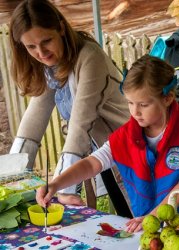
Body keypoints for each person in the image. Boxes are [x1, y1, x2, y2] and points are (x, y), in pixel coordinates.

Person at [36, 54, 179, 232]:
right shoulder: (128, 134)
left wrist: (153, 216)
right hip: (150, 226)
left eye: (143, 105)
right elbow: (92, 163)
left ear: (167, 98)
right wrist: (56, 184)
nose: (135, 111)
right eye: (130, 102)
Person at [8, 0, 131, 212]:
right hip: (100, 156)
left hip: (129, 148)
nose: (41, 52)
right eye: (31, 47)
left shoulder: (90, 57)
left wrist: (62, 187)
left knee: (137, 220)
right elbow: (35, 118)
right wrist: (13, 176)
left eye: (46, 41)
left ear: (61, 28)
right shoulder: (50, 65)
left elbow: (80, 124)